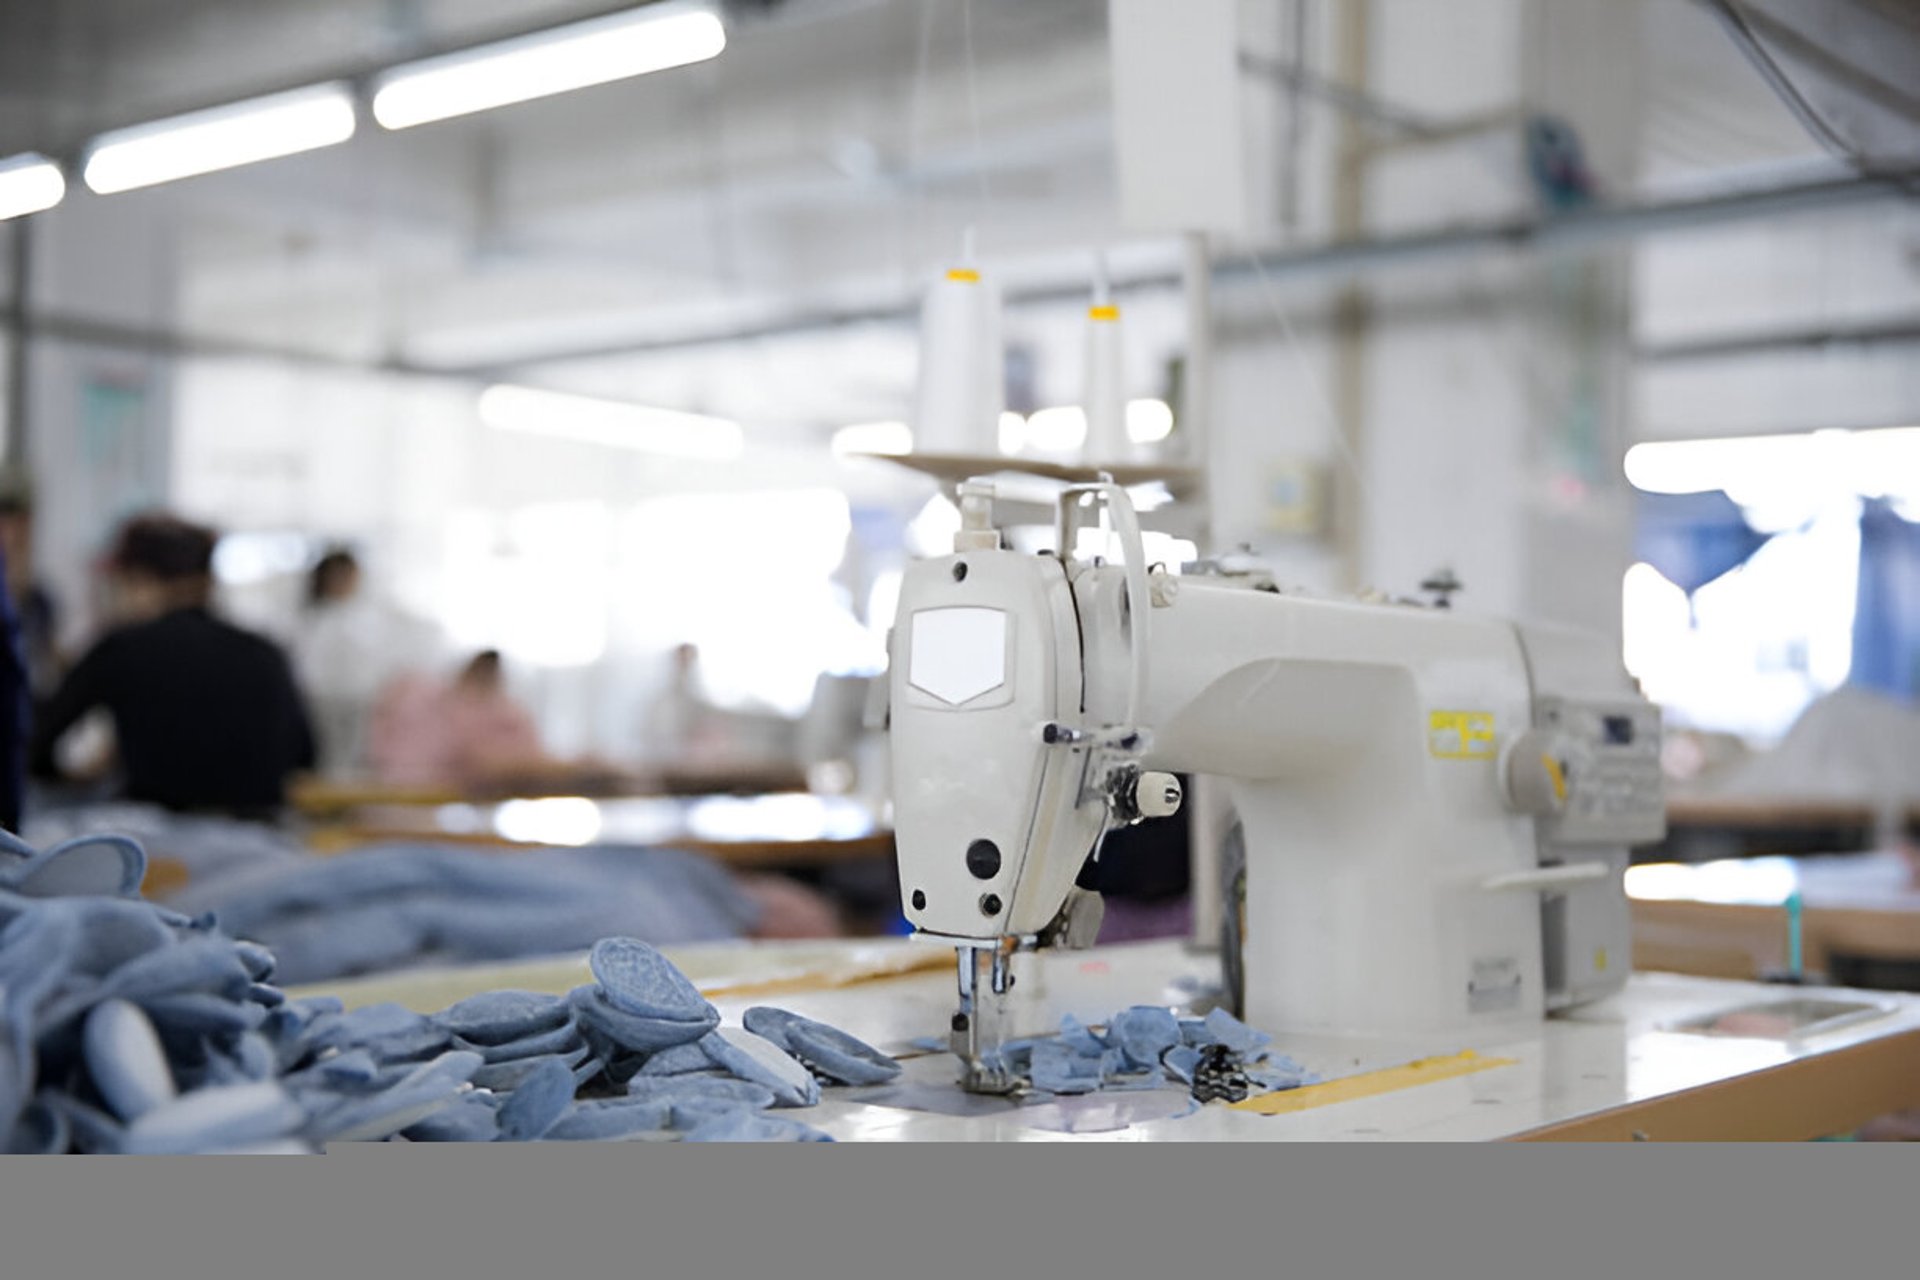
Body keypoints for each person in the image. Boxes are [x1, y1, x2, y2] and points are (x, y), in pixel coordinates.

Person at [29, 513, 316, 819]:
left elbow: (35, 743)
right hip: (264, 842)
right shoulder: (265, 652)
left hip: (161, 845)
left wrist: (82, 777)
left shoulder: (122, 648)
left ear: (141, 580)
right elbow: (304, 757)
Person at [290, 547, 385, 777]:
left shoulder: (362, 618)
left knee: (348, 764)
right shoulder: (312, 621)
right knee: (324, 761)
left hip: (356, 702)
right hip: (319, 703)